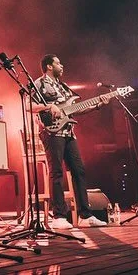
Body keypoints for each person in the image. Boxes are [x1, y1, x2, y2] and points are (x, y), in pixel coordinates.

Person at [28, 55, 108, 229]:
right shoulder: (40, 83)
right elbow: (28, 105)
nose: (62, 65)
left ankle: (85, 216)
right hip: (52, 132)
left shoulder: (63, 87)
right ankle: (58, 217)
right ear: (49, 66)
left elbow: (74, 109)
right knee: (57, 173)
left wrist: (98, 105)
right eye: (58, 63)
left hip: (69, 133)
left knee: (79, 171)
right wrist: (48, 106)